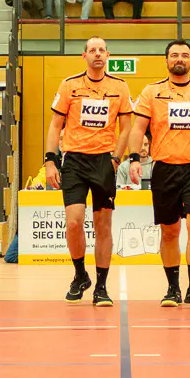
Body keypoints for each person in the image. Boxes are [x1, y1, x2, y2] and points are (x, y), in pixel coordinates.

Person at [126, 40, 190, 308]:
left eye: (185, 55)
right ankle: (173, 289)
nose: (179, 59)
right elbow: (137, 129)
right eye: (174, 55)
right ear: (166, 60)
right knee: (170, 231)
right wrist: (134, 158)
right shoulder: (152, 92)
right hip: (164, 169)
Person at [44, 38, 132, 306]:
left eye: (101, 50)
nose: (97, 54)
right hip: (74, 162)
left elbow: (127, 127)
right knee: (73, 222)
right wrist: (50, 160)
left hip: (104, 161)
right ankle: (80, 274)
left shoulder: (120, 87)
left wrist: (116, 159)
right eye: (92, 50)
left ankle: (101, 287)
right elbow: (55, 124)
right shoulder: (70, 84)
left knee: (103, 226)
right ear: (84, 56)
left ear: (108, 55)